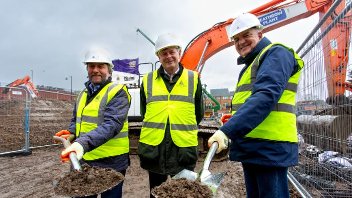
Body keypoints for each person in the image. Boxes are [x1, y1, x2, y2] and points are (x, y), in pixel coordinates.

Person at [208, 13, 304, 198]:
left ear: (260, 33)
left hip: (270, 149)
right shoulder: (252, 64)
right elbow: (251, 100)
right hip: (254, 148)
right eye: (236, 39)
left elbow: (265, 96)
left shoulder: (276, 53)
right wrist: (234, 119)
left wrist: (228, 131)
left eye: (246, 35)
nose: (241, 42)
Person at [55, 47, 131, 198]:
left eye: (101, 66)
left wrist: (81, 143)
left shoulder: (118, 92)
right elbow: (77, 120)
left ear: (109, 70)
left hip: (111, 162)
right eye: (91, 66)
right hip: (85, 160)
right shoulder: (82, 94)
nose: (96, 70)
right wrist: (71, 132)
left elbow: (112, 124)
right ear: (87, 69)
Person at [138, 33, 204, 197]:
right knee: (155, 193)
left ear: (179, 53)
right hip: (155, 150)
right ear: (158, 56)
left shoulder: (193, 78)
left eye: (171, 52)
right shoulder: (147, 80)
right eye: (163, 53)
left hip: (182, 151)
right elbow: (143, 112)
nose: (168, 56)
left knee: (183, 194)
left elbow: (198, 113)